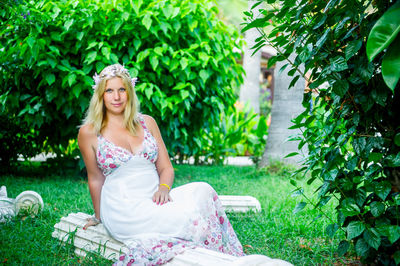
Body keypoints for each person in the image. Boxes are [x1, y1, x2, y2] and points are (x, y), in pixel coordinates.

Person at [77, 64, 243, 265]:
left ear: (129, 92)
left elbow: (166, 168)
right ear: (101, 95)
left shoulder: (147, 122)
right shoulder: (89, 132)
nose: (117, 97)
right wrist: (98, 216)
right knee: (191, 220)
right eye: (109, 91)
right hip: (124, 208)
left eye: (122, 89)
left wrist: (164, 188)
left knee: (203, 190)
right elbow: (95, 178)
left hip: (157, 199)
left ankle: (223, 255)